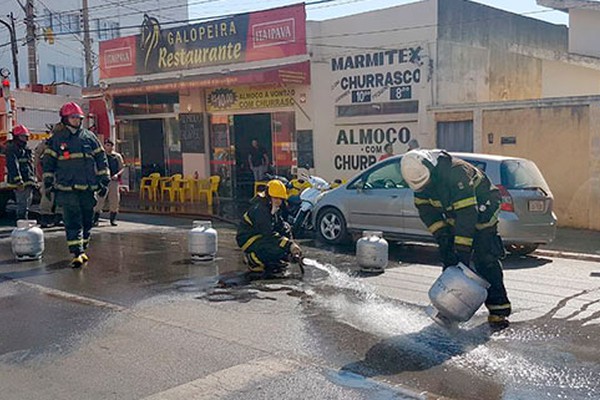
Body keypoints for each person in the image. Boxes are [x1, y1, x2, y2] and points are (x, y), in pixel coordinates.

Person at [400, 149, 511, 330]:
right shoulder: (419, 183)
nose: (424, 187)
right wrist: (443, 239)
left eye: (426, 183)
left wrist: (463, 251)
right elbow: (428, 214)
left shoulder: (456, 172)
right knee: (451, 263)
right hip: (457, 217)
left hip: (483, 212)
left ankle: (499, 312)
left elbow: (467, 213)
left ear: (431, 170)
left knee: (486, 260)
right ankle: (448, 311)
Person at [42, 102, 110, 268]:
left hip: (87, 188)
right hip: (67, 188)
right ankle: (76, 252)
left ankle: (83, 248)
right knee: (72, 220)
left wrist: (104, 179)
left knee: (88, 219)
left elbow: (101, 158)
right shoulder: (57, 140)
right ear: (65, 119)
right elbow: (48, 163)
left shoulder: (89, 137)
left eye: (79, 118)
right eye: (73, 118)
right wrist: (48, 182)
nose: (76, 121)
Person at [236, 179, 302, 278]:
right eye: (275, 198)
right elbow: (268, 234)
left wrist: (290, 250)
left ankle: (273, 260)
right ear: (268, 196)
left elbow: (281, 226)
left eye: (280, 199)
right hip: (249, 239)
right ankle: (253, 259)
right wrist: (289, 245)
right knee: (271, 244)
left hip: (261, 236)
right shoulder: (260, 209)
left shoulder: (273, 207)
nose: (278, 201)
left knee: (286, 228)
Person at [5, 125, 36, 221]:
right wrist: (18, 181)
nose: (25, 139)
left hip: (28, 180)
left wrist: (33, 179)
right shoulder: (12, 149)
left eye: (26, 137)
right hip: (21, 182)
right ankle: (21, 222)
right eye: (22, 136)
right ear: (16, 137)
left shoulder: (26, 149)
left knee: (26, 203)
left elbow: (30, 165)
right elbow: (13, 166)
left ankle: (23, 222)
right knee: (22, 204)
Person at [93, 139, 124, 227]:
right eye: (106, 145)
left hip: (113, 181)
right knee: (99, 200)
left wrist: (117, 175)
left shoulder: (117, 156)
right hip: (103, 181)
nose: (108, 147)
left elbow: (122, 168)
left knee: (114, 200)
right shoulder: (101, 156)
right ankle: (95, 219)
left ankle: (113, 219)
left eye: (110, 145)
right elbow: (96, 167)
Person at [35, 136, 62, 228]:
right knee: (48, 193)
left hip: (62, 172)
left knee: (61, 193)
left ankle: (59, 217)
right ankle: (45, 217)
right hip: (49, 171)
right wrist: (37, 171)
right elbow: (37, 155)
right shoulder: (48, 142)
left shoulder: (67, 140)